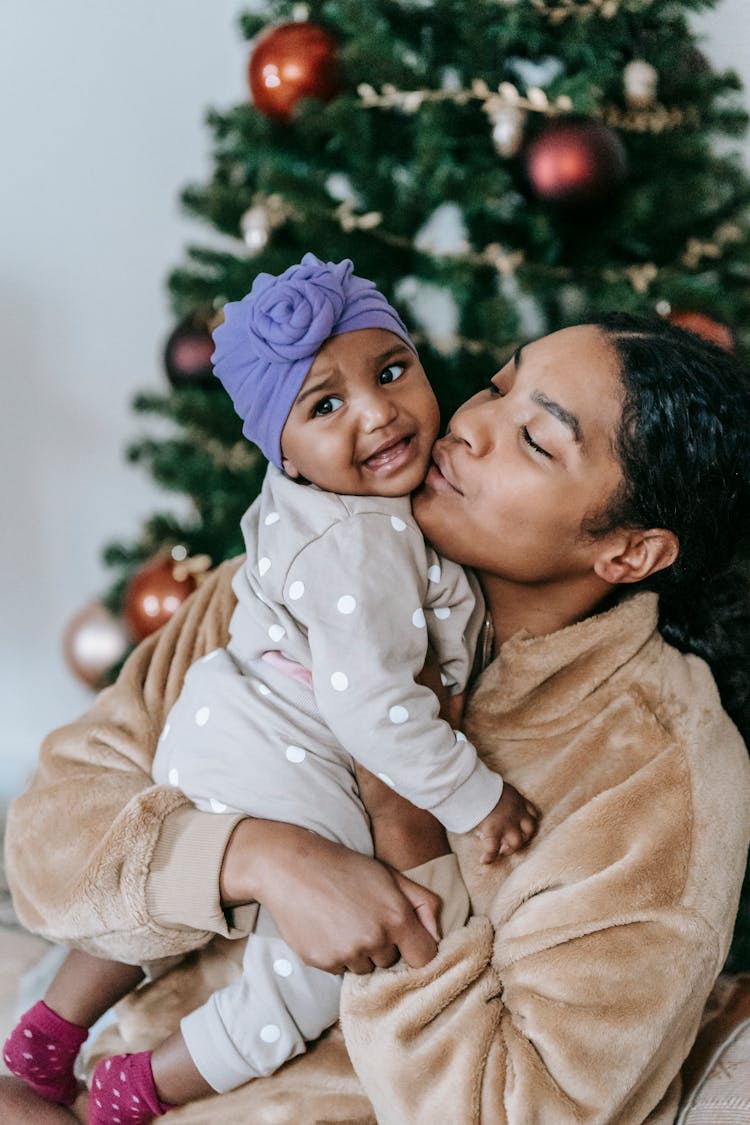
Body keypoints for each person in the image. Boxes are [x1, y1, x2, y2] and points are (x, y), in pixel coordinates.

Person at [3, 312, 750, 1125]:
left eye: (535, 439)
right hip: (105, 1087)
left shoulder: (659, 771)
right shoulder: (282, 580)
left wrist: (404, 822)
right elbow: (49, 840)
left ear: (630, 552)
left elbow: (523, 1110)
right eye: (497, 384)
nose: (468, 426)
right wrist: (259, 858)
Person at [2, 255, 536, 1122]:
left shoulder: (316, 502)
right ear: (278, 444)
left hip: (224, 713)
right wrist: (477, 800)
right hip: (283, 756)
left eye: (392, 371)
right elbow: (379, 710)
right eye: (325, 404)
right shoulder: (360, 546)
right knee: (316, 969)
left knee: (165, 907)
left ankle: (49, 1027)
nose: (377, 411)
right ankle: (139, 1087)